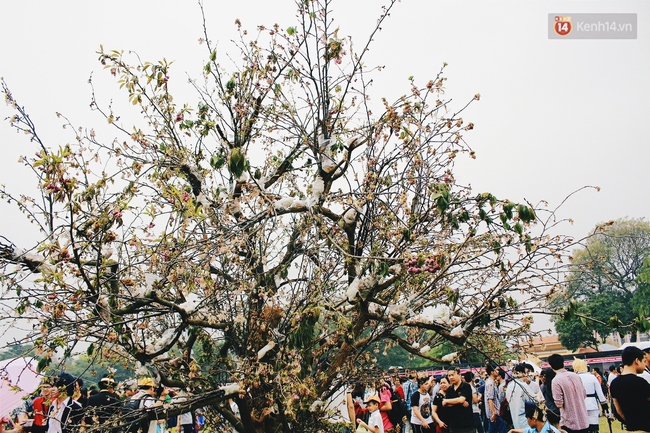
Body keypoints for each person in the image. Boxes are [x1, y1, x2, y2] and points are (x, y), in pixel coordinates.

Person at [609, 345, 650, 432]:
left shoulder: (614, 383)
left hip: (631, 428)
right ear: (637, 361)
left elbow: (619, 410)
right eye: (644, 361)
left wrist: (631, 423)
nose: (645, 364)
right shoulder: (640, 382)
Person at [548, 354, 589, 433]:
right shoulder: (576, 376)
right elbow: (584, 395)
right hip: (584, 420)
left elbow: (559, 404)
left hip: (569, 422)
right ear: (563, 363)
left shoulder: (556, 380)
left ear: (551, 366)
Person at [571, 359, 608, 433]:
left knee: (582, 428)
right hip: (592, 404)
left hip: (579, 405)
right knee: (594, 428)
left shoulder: (573, 378)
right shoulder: (592, 377)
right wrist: (605, 407)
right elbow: (600, 394)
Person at [443, 369, 474, 433]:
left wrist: (448, 401)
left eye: (452, 375)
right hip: (453, 425)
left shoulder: (466, 386)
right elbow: (445, 404)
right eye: (449, 375)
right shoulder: (449, 389)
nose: (451, 377)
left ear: (459, 375)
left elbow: (461, 400)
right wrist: (459, 402)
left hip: (467, 424)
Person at [505, 365, 534, 430]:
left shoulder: (509, 386)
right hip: (526, 421)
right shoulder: (523, 385)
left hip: (515, 420)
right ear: (523, 373)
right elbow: (534, 400)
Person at [484, 366, 507, 433]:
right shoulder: (490, 383)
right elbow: (490, 399)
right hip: (494, 412)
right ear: (492, 372)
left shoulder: (491, 382)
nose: (497, 372)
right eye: (495, 370)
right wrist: (494, 413)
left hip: (494, 411)